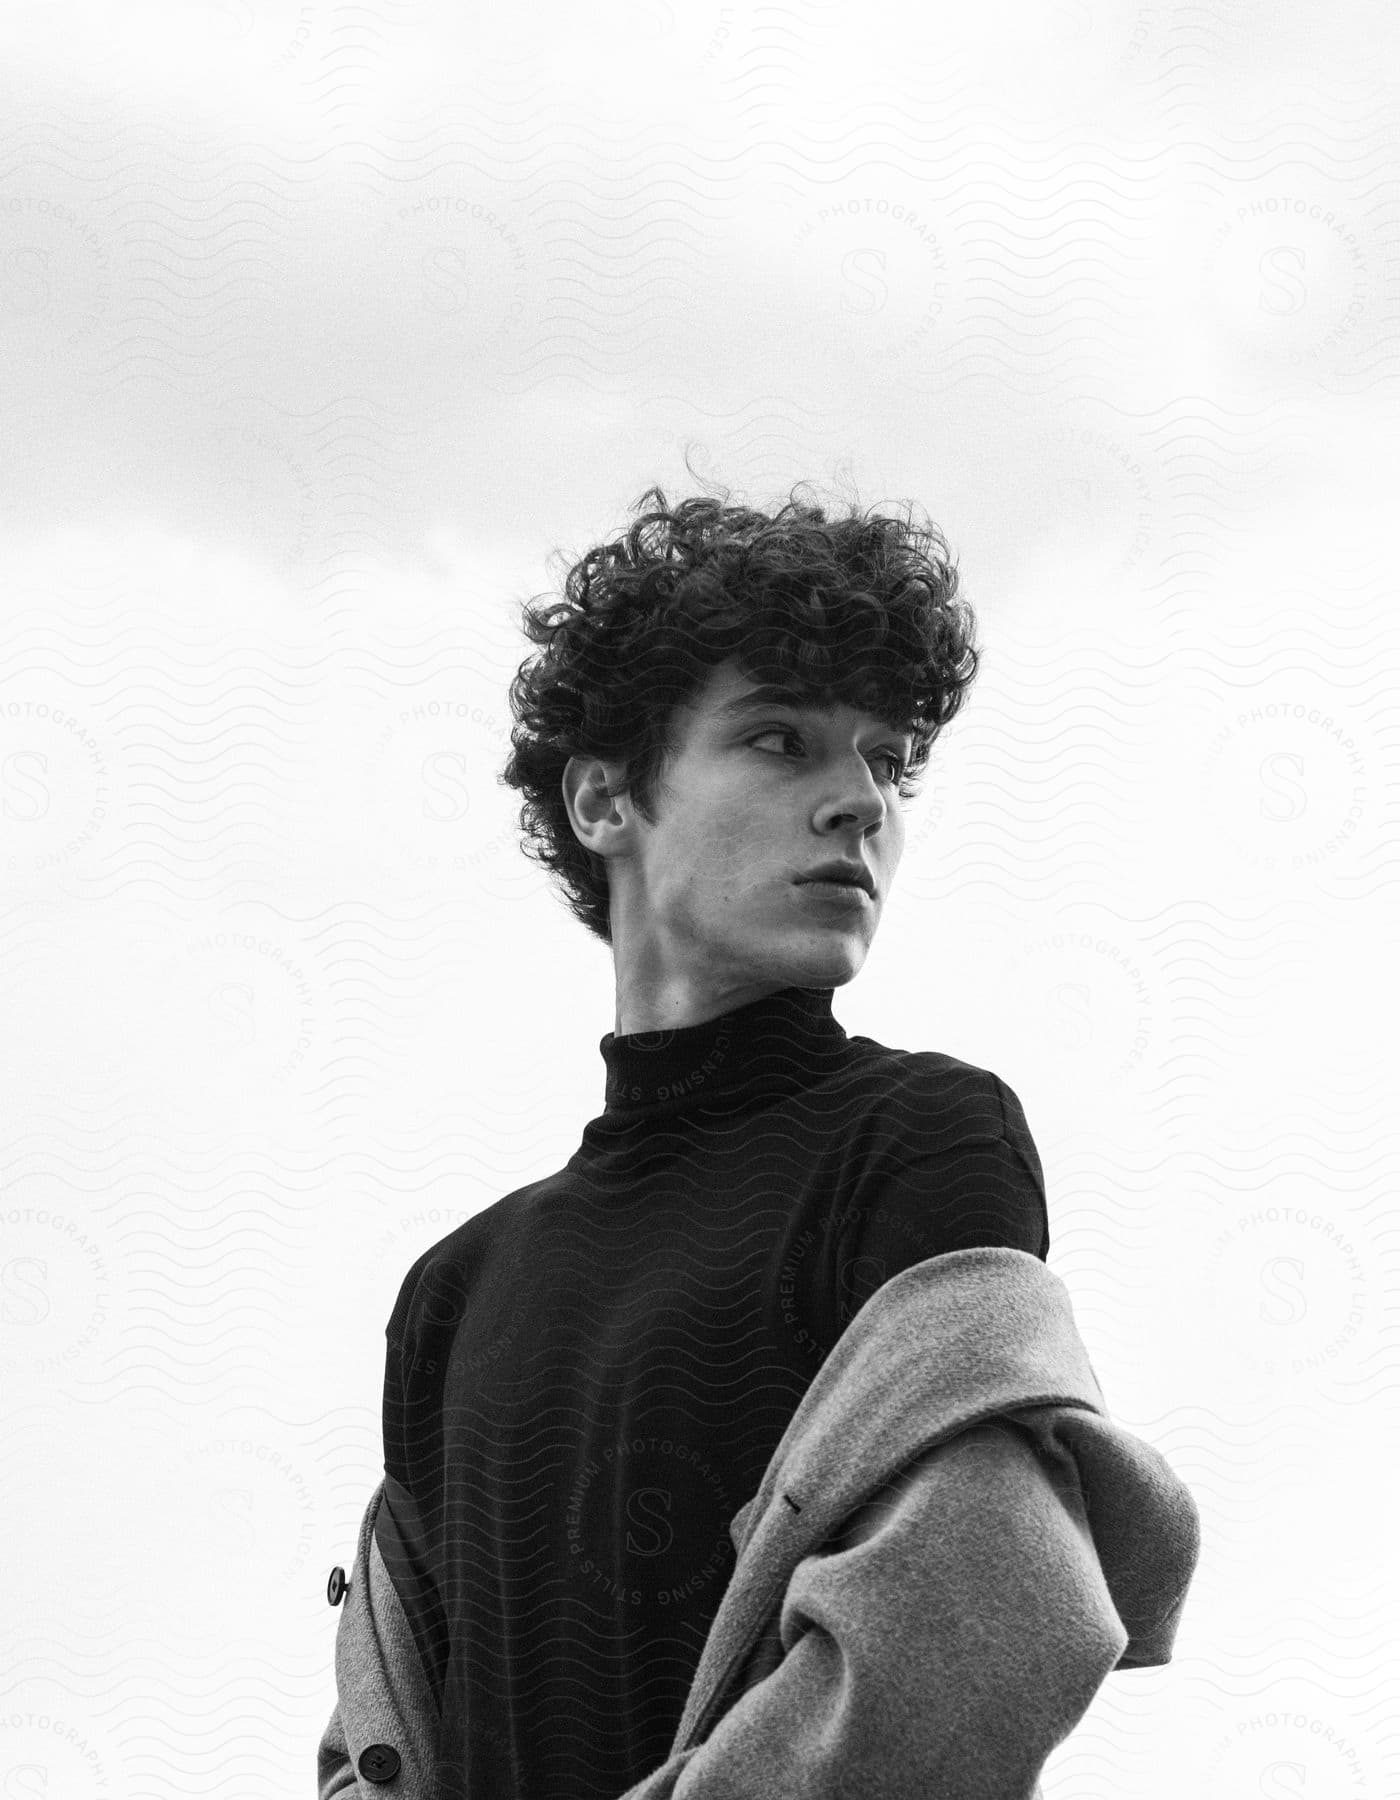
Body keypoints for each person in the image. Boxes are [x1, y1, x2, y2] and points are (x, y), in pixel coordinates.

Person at [317, 480, 1202, 1798]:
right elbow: (385, 1736)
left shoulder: (916, 1141)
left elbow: (977, 1617)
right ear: (606, 800)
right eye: (782, 741)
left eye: (887, 760)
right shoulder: (455, 1291)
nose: (860, 802)